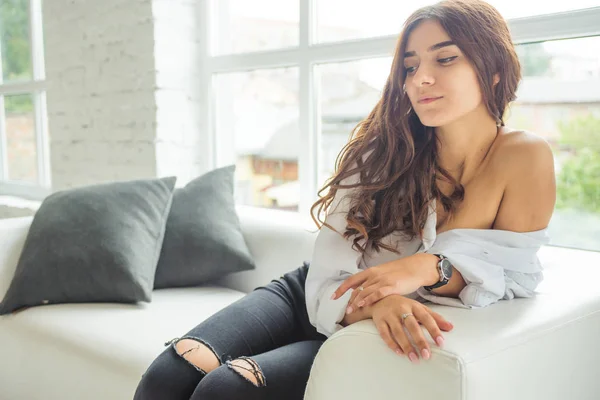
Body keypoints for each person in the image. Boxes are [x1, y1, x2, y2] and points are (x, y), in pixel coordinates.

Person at [133, 0, 556, 399]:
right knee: (167, 376)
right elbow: (331, 270)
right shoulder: (382, 151)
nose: (420, 78)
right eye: (410, 66)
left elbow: (510, 271)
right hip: (320, 291)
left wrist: (428, 267)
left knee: (226, 391)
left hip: (377, 327)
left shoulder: (523, 157)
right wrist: (385, 296)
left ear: (495, 68)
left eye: (445, 59)